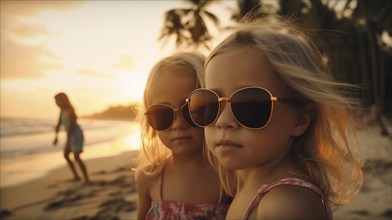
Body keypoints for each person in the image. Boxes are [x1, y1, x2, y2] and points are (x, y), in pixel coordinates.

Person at [187, 17, 363, 219]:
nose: (223, 120)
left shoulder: (283, 206)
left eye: (249, 104)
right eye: (209, 103)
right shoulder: (246, 187)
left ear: (300, 120)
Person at [135, 52, 229, 220]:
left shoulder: (229, 176)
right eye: (162, 114)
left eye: (193, 109)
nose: (178, 124)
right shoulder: (148, 177)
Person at [53, 92, 89, 183]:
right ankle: (76, 176)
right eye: (55, 101)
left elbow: (70, 128)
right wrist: (56, 136)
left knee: (76, 156)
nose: (56, 103)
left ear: (64, 100)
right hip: (70, 135)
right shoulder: (62, 110)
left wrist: (68, 142)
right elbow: (58, 124)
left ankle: (86, 179)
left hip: (76, 135)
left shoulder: (70, 111)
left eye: (58, 101)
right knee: (66, 155)